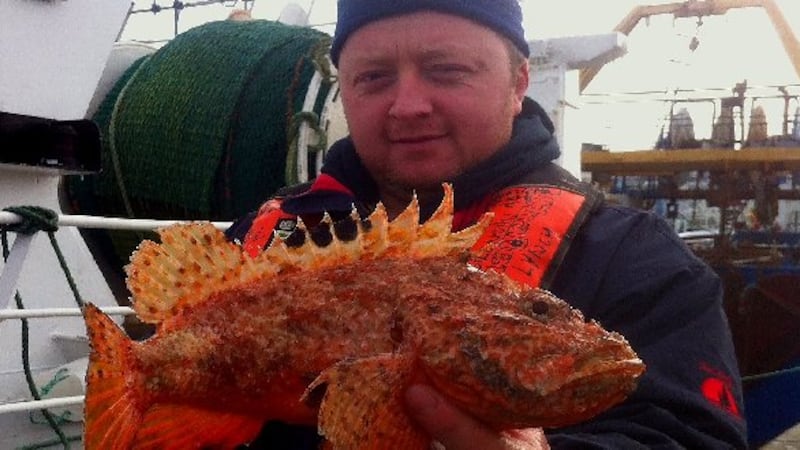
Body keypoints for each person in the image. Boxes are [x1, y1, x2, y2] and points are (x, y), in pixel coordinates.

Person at [227, 0, 748, 448]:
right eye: (374, 78)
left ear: (519, 81)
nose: (408, 106)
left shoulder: (637, 263)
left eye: (446, 70)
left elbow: (689, 435)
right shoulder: (264, 238)